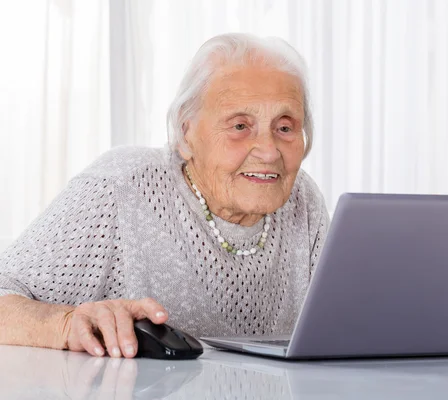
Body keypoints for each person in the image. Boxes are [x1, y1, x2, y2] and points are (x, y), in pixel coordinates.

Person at [0, 33, 329, 359]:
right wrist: (66, 323)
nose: (269, 151)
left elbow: (345, 323)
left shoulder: (303, 200)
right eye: (240, 126)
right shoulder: (122, 186)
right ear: (186, 133)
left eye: (285, 128)